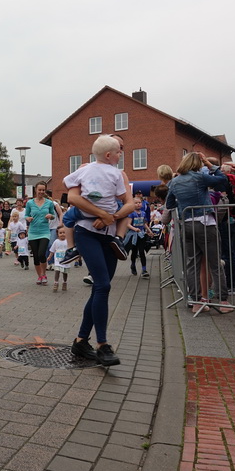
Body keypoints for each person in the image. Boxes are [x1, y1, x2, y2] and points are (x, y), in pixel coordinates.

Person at [64, 135, 134, 367]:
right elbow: (72, 197)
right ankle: (103, 345)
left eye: (122, 148)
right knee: (103, 286)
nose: (121, 152)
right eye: (119, 149)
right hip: (87, 232)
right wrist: (101, 214)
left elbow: (129, 204)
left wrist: (110, 217)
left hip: (108, 235)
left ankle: (80, 341)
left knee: (99, 289)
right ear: (108, 153)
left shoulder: (119, 174)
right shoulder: (85, 170)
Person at [165, 152, 234, 314]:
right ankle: (223, 301)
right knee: (215, 263)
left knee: (191, 265)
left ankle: (195, 302)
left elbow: (169, 203)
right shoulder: (199, 177)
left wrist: (183, 204)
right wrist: (210, 165)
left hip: (186, 224)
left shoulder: (174, 182)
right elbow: (223, 179)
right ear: (198, 164)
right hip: (205, 222)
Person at [24, 182, 57, 285]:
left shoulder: (49, 203)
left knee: (41, 253)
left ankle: (44, 274)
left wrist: (50, 216)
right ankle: (39, 276)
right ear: (36, 190)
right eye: (40, 190)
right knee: (36, 256)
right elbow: (26, 215)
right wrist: (28, 218)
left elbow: (53, 215)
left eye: (43, 190)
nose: (41, 192)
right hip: (33, 232)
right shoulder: (30, 203)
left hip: (44, 232)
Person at [125, 197, 154, 278]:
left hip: (141, 235)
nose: (138, 204)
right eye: (136, 203)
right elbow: (128, 224)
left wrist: (149, 231)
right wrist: (135, 229)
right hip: (133, 235)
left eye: (139, 202)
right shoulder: (131, 213)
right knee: (134, 252)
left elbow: (144, 224)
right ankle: (133, 265)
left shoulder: (143, 213)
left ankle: (144, 270)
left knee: (141, 251)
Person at [48, 225, 71, 292]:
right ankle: (56, 283)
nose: (62, 234)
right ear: (57, 234)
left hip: (65, 260)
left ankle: (64, 282)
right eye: (60, 233)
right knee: (57, 271)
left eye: (64, 232)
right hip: (58, 261)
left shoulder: (68, 241)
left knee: (65, 272)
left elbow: (71, 250)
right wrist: (49, 257)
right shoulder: (56, 241)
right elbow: (52, 250)